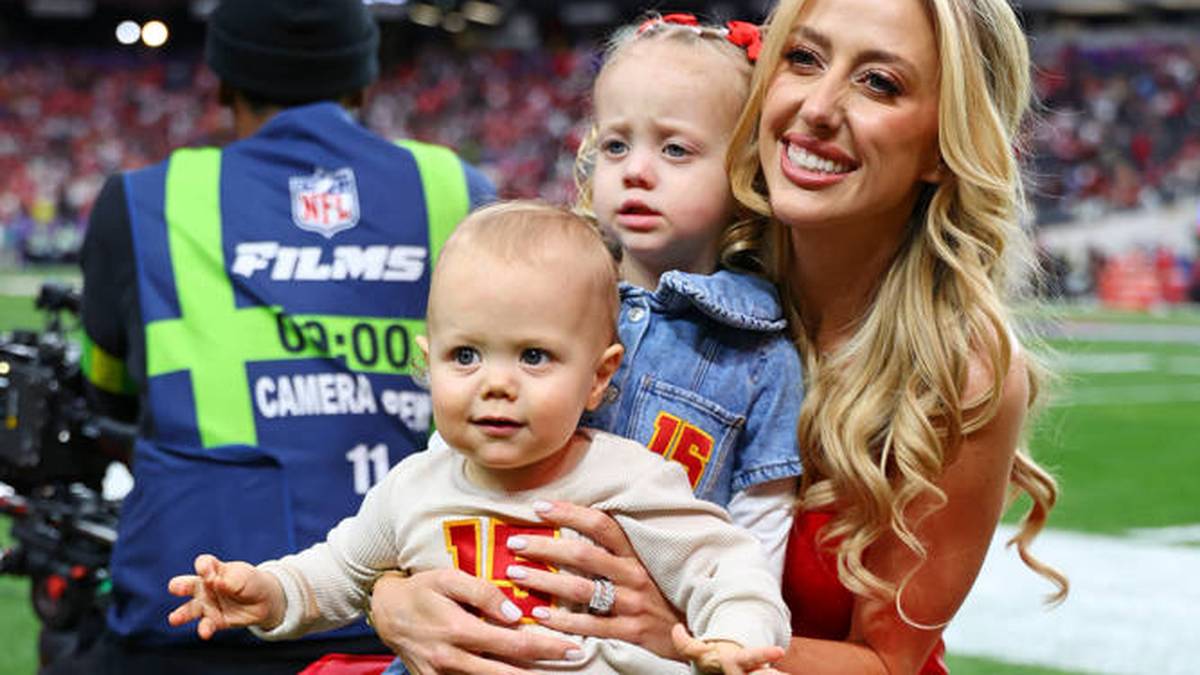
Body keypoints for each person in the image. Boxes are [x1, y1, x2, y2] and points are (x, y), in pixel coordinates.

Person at [368, 0, 1071, 673]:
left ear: (945, 145)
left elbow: (891, 661)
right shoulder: (627, 271)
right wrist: (394, 595)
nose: (819, 107)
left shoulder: (962, 371)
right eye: (803, 58)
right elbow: (460, 480)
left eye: (879, 82)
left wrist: (675, 633)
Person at [164, 201, 791, 675]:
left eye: (535, 357)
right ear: (426, 361)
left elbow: (724, 564)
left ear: (600, 377)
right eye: (465, 355)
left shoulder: (631, 479)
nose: (496, 384)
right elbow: (337, 573)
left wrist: (734, 639)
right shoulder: (414, 486)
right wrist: (269, 594)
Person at [68, 1, 494, 672]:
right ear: (363, 81)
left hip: (196, 619)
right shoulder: (455, 186)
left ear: (221, 82)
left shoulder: (147, 198)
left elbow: (109, 396)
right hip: (420, 617)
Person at [576, 13, 802, 576]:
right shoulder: (550, 295)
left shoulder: (761, 357)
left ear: (744, 172)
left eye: (675, 150)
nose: (636, 171)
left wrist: (736, 623)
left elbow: (763, 519)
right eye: (616, 145)